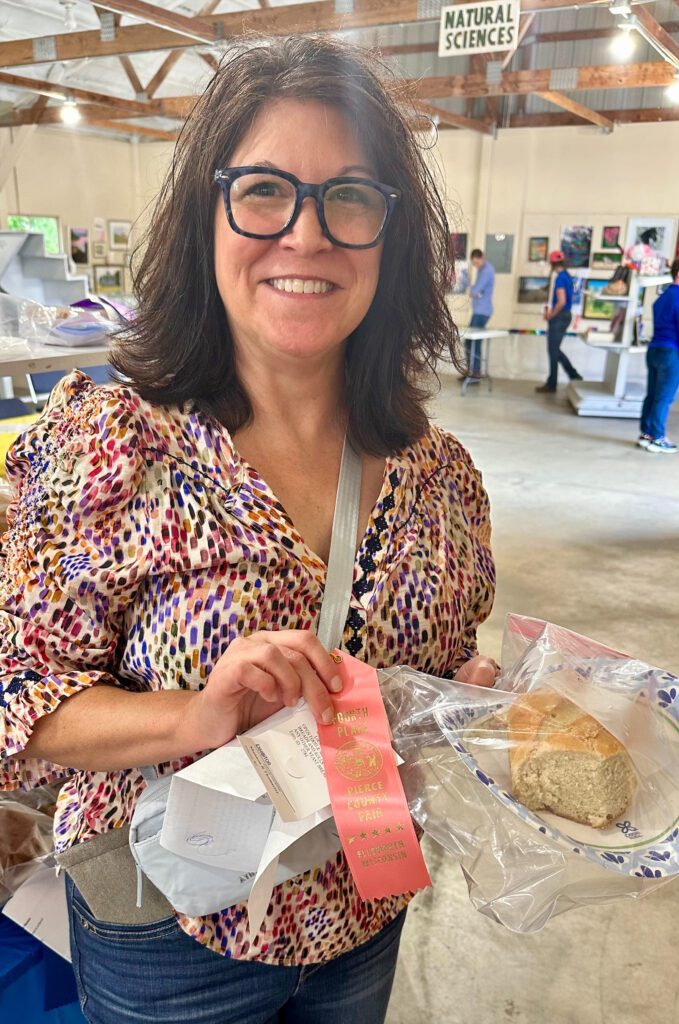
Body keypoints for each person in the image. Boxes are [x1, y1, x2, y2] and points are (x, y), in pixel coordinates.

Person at [0, 36, 497, 1024]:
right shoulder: (104, 446)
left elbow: (443, 673)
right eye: (264, 189)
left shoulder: (442, 478)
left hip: (367, 902)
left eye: (349, 196)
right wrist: (189, 717)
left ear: (390, 238)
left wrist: (471, 703)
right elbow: (15, 692)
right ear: (205, 215)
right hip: (164, 923)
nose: (305, 236)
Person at [638, 256, 679, 453]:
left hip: (655, 350)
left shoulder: (662, 298)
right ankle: (657, 437)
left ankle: (646, 434)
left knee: (653, 394)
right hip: (672, 354)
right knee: (664, 397)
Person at [536, 250, 582, 393]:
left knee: (553, 350)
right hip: (566, 315)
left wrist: (551, 315)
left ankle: (555, 383)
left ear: (552, 263)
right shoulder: (567, 276)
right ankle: (571, 375)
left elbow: (561, 301)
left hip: (560, 316)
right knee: (554, 350)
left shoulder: (560, 278)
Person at [462, 247, 495, 381]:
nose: (475, 266)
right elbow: (475, 292)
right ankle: (473, 370)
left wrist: (469, 286)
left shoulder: (487, 271)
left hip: (482, 312)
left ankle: (475, 372)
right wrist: (473, 291)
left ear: (482, 258)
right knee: (470, 341)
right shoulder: (482, 270)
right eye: (473, 264)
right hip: (479, 310)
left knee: (473, 342)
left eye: (476, 263)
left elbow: (475, 291)